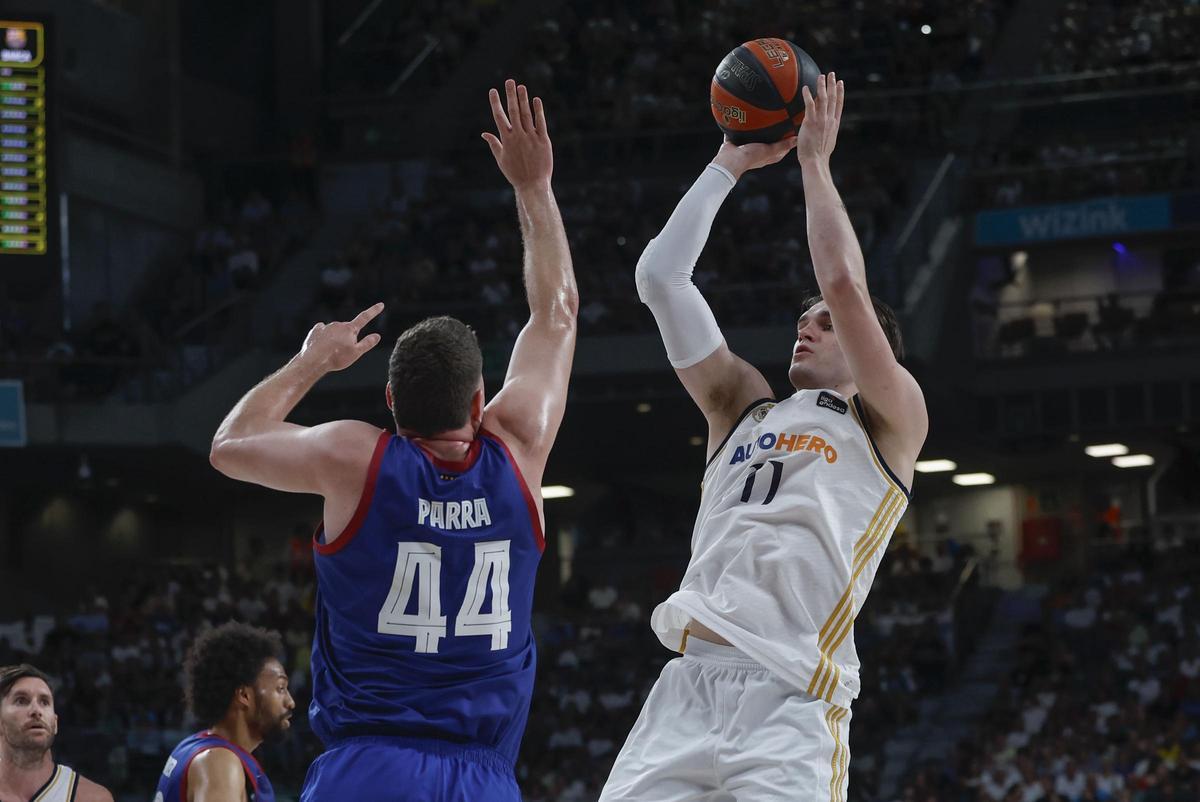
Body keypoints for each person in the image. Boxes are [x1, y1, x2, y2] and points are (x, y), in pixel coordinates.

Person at [209, 79, 576, 802]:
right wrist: (533, 187)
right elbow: (557, 313)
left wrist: (312, 361)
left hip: (367, 768)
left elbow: (231, 443)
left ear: (389, 402)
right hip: (483, 777)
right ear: (481, 402)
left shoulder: (355, 457)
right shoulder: (520, 445)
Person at [601, 73, 928, 801]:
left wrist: (815, 162)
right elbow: (660, 277)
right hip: (688, 687)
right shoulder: (741, 407)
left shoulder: (889, 420)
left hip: (792, 698)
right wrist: (731, 160)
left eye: (824, 325)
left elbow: (843, 283)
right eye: (802, 321)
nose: (806, 327)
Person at [155, 622, 294, 802]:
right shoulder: (219, 764)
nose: (291, 702)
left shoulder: (195, 746)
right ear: (244, 695)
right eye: (280, 688)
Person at [0, 663, 113, 802]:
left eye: (44, 702)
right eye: (21, 700)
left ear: (55, 724)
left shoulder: (92, 798)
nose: (36, 711)